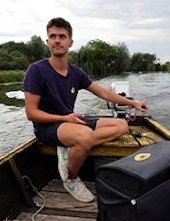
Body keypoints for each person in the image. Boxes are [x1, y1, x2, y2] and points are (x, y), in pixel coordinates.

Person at [23, 17, 149, 203]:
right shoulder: (36, 70)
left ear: (70, 42)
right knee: (84, 136)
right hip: (48, 127)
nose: (57, 40)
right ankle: (71, 178)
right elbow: (31, 113)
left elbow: (104, 93)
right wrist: (65, 118)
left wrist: (133, 103)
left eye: (62, 36)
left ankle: (71, 147)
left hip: (70, 122)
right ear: (47, 41)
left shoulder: (75, 72)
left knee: (121, 125)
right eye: (53, 36)